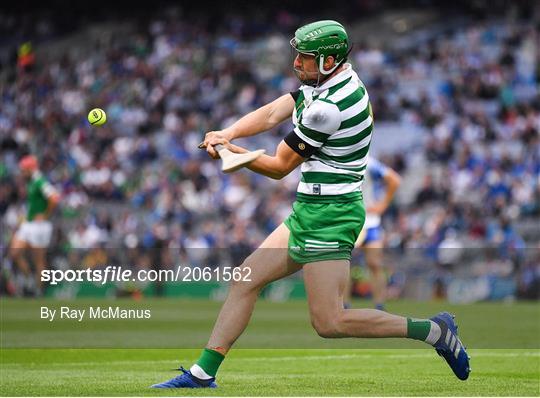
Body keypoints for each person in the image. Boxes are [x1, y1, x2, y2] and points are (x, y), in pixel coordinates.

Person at [152, 20, 470, 388]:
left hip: (331, 215)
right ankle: (202, 374)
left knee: (329, 322)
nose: (296, 63)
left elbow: (277, 167)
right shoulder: (327, 82)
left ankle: (434, 331)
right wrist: (228, 132)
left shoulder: (329, 108)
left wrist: (231, 152)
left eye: (304, 58)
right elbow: (274, 111)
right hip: (310, 209)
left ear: (329, 61)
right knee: (245, 279)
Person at [346, 156, 401, 311]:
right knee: (344, 264)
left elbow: (394, 180)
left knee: (375, 264)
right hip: (348, 221)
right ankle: (344, 306)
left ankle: (379, 305)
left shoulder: (368, 163)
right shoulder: (337, 159)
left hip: (370, 222)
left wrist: (382, 205)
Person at [9, 155, 60, 296]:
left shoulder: (39, 181)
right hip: (29, 223)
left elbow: (54, 198)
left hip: (40, 226)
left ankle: (38, 291)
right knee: (14, 253)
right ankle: (30, 281)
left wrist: (46, 214)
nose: (22, 172)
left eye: (24, 170)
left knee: (39, 261)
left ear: (30, 169)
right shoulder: (31, 181)